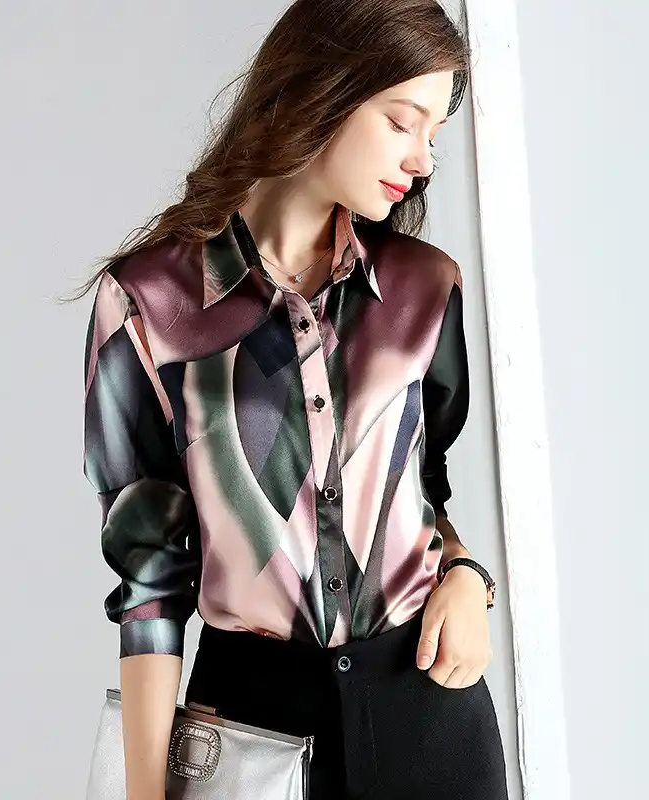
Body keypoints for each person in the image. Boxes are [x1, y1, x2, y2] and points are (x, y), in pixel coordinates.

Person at [70, 0, 508, 797]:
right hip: (251, 730)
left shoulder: (424, 288)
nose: (421, 161)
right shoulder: (148, 302)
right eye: (401, 122)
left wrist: (467, 576)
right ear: (323, 88)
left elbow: (425, 487)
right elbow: (150, 581)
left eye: (434, 136)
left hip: (428, 714)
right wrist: (144, 791)